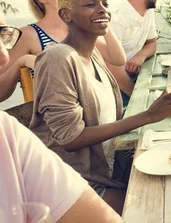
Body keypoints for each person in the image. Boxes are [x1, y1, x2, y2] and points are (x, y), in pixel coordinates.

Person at [29, 0, 171, 215]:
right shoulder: (58, 59)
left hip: (108, 169)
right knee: (157, 209)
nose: (103, 10)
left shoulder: (92, 53)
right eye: (91, 4)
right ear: (66, 14)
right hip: (73, 182)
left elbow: (111, 116)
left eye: (104, 4)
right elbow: (69, 138)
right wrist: (147, 116)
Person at [0, 14, 123, 223]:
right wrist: (21, 61)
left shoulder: (7, 135)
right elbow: (70, 137)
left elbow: (119, 59)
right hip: (78, 164)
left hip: (79, 171)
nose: (3, 55)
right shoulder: (36, 39)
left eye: (3, 35)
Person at [0, 0, 126, 102]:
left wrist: (102, 19)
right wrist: (22, 61)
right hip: (58, 115)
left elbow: (118, 59)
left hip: (94, 108)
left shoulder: (77, 29)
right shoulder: (28, 35)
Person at [105, 0, 162, 96]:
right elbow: (110, 65)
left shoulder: (148, 11)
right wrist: (136, 95)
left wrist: (139, 57)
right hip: (116, 87)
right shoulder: (116, 18)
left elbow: (152, 43)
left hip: (138, 78)